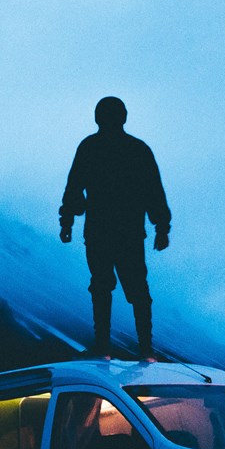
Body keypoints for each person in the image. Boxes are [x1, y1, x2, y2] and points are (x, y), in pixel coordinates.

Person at [59, 96, 171, 359]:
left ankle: (103, 347)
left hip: (99, 230)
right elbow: (154, 191)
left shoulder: (89, 147)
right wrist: (161, 226)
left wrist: (67, 221)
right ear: (124, 117)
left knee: (101, 287)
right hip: (129, 232)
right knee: (137, 291)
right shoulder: (138, 149)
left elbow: (74, 188)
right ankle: (146, 349)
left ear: (98, 118)